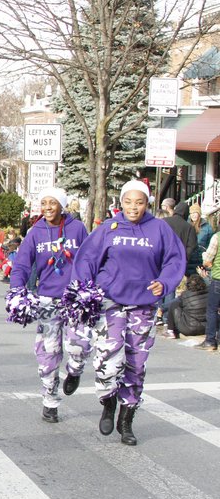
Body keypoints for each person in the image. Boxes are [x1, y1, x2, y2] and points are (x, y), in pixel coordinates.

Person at [70, 180, 185, 445]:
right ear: (121, 203)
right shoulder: (108, 228)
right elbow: (86, 259)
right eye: (129, 202)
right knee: (108, 361)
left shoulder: (159, 229)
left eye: (140, 202)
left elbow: (174, 260)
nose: (134, 207)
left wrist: (165, 282)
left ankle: (126, 420)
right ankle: (108, 402)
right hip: (110, 302)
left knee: (136, 364)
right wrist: (85, 289)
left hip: (143, 305)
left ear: (148, 204)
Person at [6, 188, 90, 423]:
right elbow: (22, 264)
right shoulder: (35, 232)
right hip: (47, 299)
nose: (48, 207)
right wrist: (17, 290)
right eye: (44, 203)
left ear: (61, 205)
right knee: (49, 352)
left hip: (74, 298)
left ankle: (74, 371)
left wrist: (90, 286)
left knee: (80, 345)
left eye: (52, 203)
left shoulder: (77, 228)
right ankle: (50, 400)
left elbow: (90, 258)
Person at [162, 273, 207, 339]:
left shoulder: (185, 295)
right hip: (205, 328)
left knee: (174, 304)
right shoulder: (209, 294)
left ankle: (170, 331)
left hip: (188, 329)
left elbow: (171, 304)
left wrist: (161, 308)